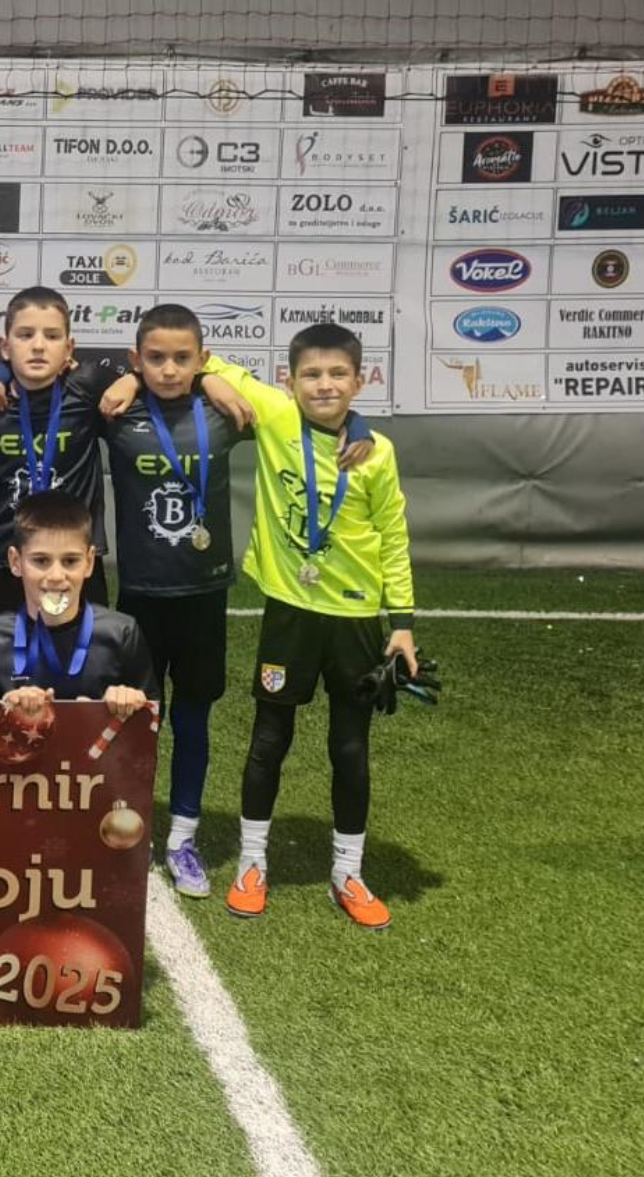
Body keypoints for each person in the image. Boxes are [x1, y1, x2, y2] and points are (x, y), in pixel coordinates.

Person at [107, 304, 371, 899]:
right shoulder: (119, 412)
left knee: (192, 721)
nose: (169, 369)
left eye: (183, 359)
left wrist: (357, 424)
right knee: (135, 723)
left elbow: (308, 411)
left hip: (204, 597)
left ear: (201, 358)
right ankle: (127, 832)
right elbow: (72, 383)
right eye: (155, 359)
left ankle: (183, 838)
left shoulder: (223, 411)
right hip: (140, 599)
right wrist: (123, 380)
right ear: (136, 360)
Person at [205, 323, 419, 930]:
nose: (325, 385)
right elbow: (199, 357)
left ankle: (348, 872)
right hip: (290, 612)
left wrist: (402, 623)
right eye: (311, 374)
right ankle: (253, 864)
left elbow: (394, 536)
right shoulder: (276, 416)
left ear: (361, 380)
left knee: (349, 748)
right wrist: (211, 380)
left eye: (338, 374)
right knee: (269, 740)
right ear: (289, 380)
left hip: (356, 617)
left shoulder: (377, 451)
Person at [0, 287, 134, 620]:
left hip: (74, 558)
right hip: (4, 556)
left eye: (51, 335)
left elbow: (160, 379)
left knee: (84, 649)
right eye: (25, 335)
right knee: (2, 647)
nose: (38, 345)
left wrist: (134, 381)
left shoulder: (88, 386)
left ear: (69, 348)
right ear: (5, 346)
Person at [0, 491, 154, 728]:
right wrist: (5, 713)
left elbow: (148, 729)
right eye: (41, 561)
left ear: (89, 562)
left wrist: (127, 703)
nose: (56, 575)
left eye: (70, 561)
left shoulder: (121, 633)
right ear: (15, 561)